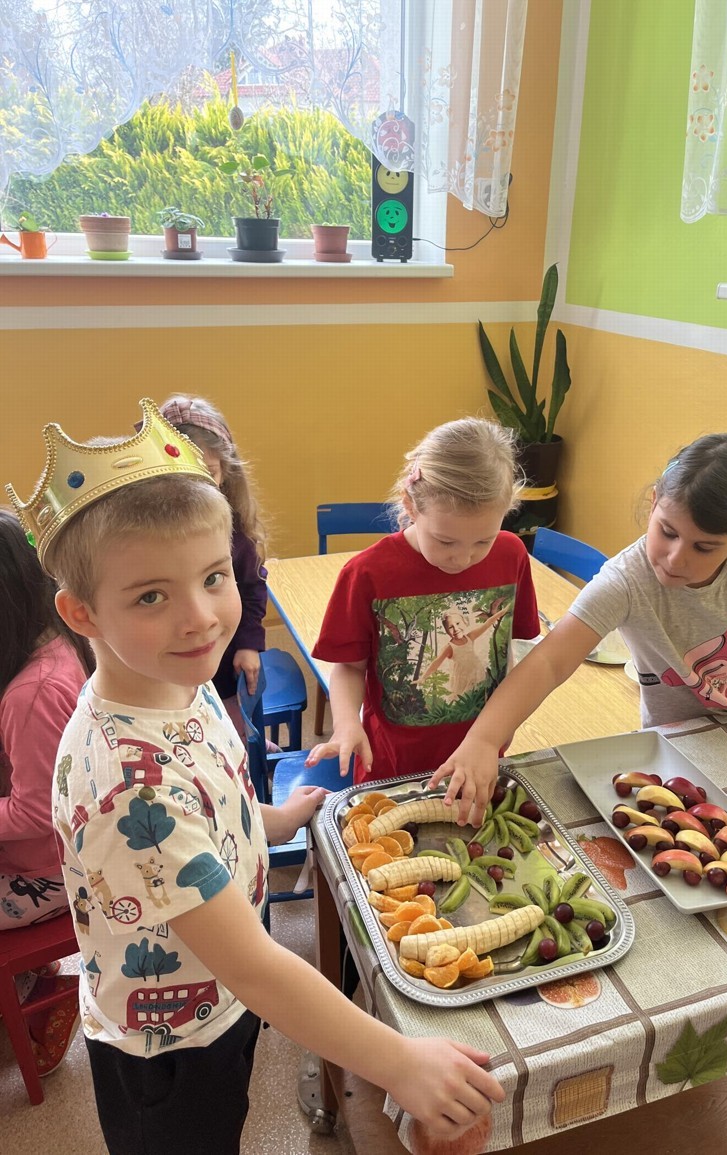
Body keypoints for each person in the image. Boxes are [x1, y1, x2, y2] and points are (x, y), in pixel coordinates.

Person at [6, 399, 503, 1154]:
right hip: (165, 1047)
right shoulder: (131, 788)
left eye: (214, 576)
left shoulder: (178, 679)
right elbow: (260, 967)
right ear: (82, 613)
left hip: (219, 1002)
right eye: (151, 595)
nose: (201, 617)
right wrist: (399, 1062)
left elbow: (218, 798)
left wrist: (274, 819)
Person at [430, 433, 727, 826]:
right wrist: (484, 739)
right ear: (654, 502)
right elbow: (550, 661)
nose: (676, 558)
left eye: (703, 547)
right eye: (667, 532)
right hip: (682, 745)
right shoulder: (626, 581)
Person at [306, 417, 540, 782]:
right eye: (445, 541)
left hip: (478, 754)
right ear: (411, 506)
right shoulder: (367, 574)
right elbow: (349, 668)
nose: (463, 558)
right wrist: (347, 723)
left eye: (484, 540)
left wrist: (504, 722)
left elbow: (503, 646)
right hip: (393, 762)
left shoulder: (511, 555)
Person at [0, 508, 93, 1074]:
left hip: (50, 874)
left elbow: (34, 810)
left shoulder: (29, 692)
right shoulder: (54, 639)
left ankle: (36, 996)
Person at [157, 395, 268, 740]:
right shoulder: (147, 541)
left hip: (222, 660)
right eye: (181, 474)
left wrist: (249, 643)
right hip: (169, 662)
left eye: (208, 473)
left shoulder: (235, 536)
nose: (196, 488)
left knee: (230, 729)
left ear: (225, 472)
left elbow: (252, 587)